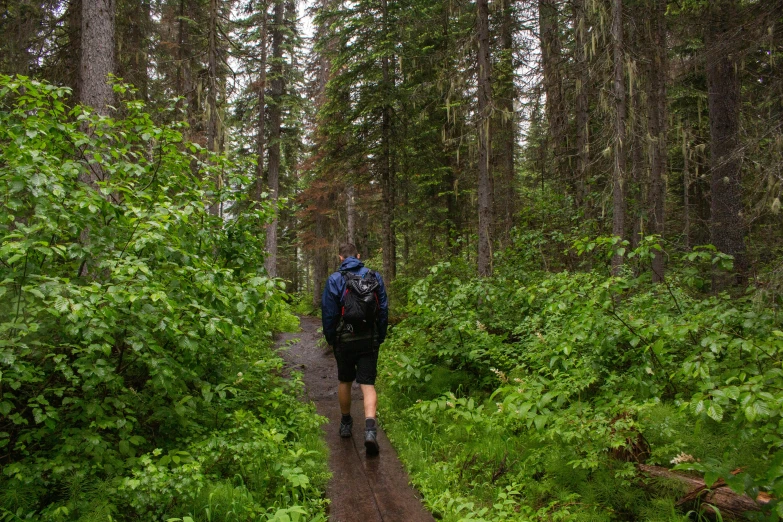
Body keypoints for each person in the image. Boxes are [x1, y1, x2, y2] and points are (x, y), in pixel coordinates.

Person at [321, 243, 388, 455]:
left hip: (345, 339)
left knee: (345, 381)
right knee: (367, 384)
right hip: (369, 339)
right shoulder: (374, 276)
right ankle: (369, 430)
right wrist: (381, 335)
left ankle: (346, 423)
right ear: (358, 256)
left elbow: (329, 313)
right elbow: (383, 308)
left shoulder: (335, 279)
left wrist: (332, 338)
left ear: (341, 258)